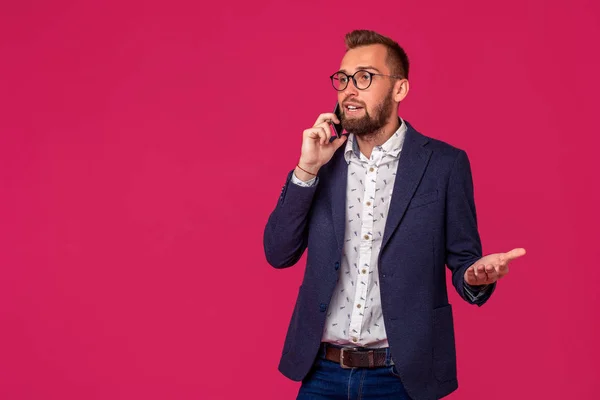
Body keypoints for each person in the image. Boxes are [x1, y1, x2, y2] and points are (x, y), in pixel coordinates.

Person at [263, 29, 526, 400]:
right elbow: (278, 252)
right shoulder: (323, 160)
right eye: (343, 79)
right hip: (322, 372)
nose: (349, 90)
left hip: (402, 376)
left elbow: (464, 260)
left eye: (364, 77)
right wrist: (306, 170)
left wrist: (476, 274)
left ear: (400, 89)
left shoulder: (444, 165)